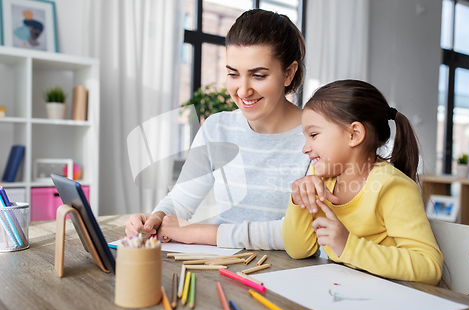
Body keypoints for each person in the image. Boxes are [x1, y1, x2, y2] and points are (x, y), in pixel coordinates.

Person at [125, 9, 309, 249]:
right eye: (233, 74)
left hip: (286, 274)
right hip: (220, 265)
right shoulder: (218, 127)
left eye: (258, 76)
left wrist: (197, 232)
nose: (243, 91)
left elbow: (300, 233)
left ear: (288, 73)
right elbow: (180, 202)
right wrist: (155, 219)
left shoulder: (317, 137)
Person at [282, 79, 443, 285]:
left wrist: (348, 245)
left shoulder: (391, 187)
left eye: (313, 135)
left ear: (354, 134)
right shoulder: (322, 179)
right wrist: (298, 202)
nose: (305, 148)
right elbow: (298, 251)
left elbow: (429, 267)